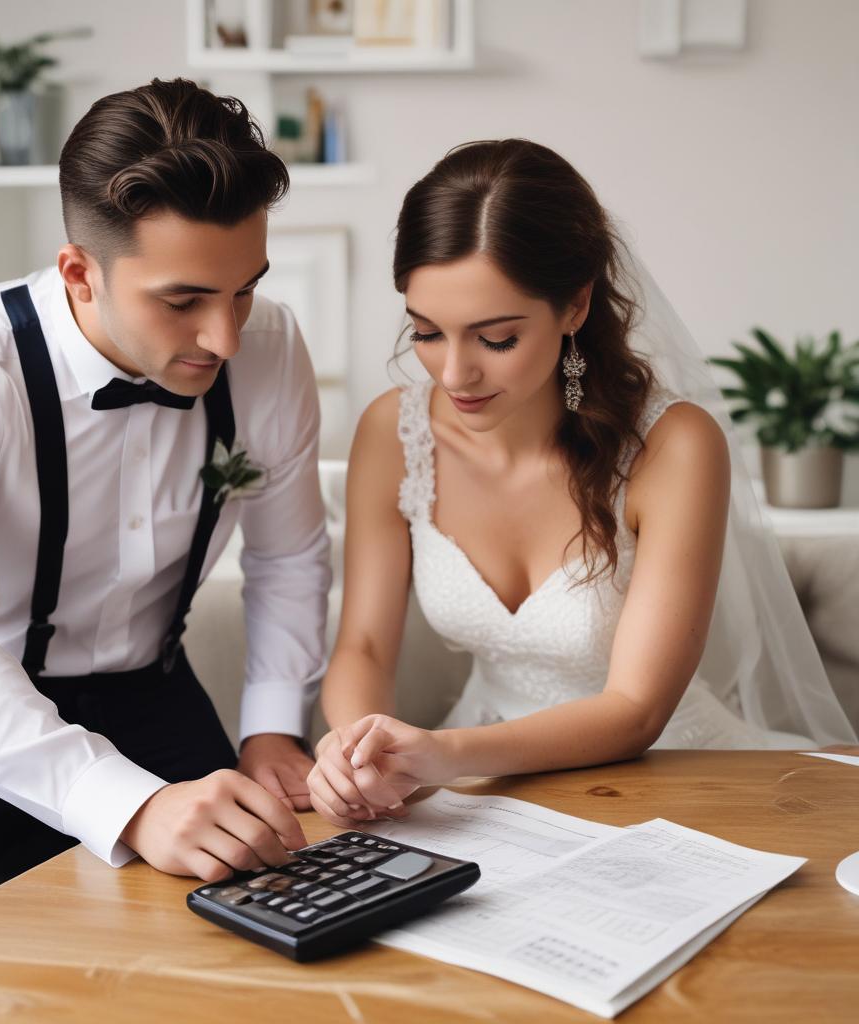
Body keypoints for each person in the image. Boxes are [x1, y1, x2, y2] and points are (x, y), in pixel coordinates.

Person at [0, 78, 332, 972]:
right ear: (79, 272)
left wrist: (271, 728)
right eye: (183, 300)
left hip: (150, 688)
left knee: (240, 938)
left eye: (245, 291)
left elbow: (289, 555)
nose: (224, 338)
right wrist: (133, 806)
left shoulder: (273, 350)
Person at [306, 139, 857, 826]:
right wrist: (355, 749)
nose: (453, 375)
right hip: (463, 777)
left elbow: (636, 709)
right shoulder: (393, 432)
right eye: (426, 332)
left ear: (574, 307)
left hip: (661, 774)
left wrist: (449, 755)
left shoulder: (676, 447)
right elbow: (361, 644)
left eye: (496, 338)